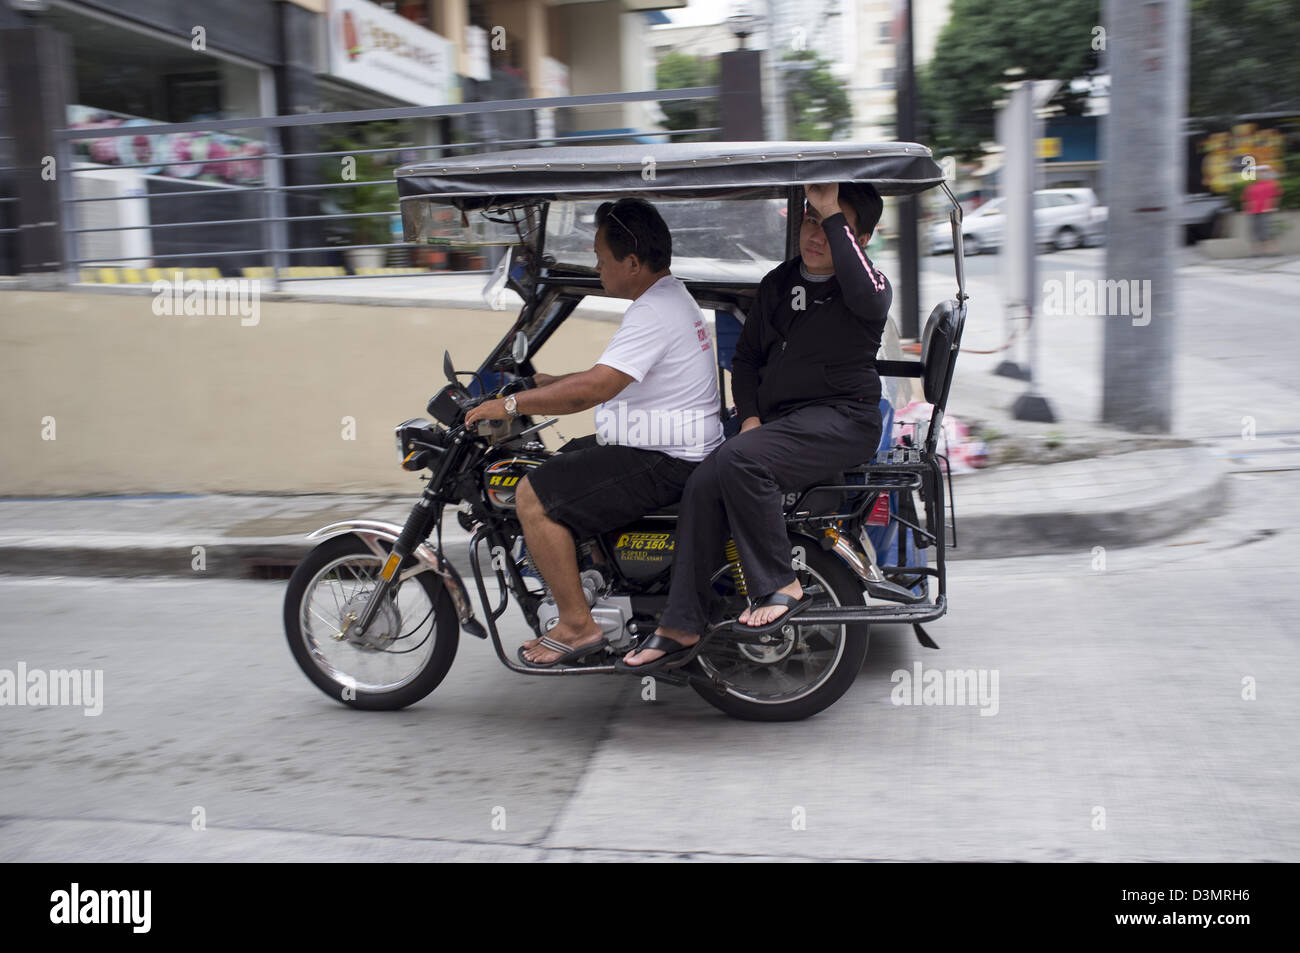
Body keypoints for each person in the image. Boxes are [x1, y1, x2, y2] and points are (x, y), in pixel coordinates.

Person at [618, 181, 890, 673]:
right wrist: (749, 417)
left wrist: (832, 213)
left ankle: (779, 583)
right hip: (780, 423)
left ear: (861, 239)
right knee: (704, 479)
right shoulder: (780, 283)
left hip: (844, 419)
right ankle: (681, 622)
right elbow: (745, 360)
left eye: (831, 225)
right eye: (810, 219)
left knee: (741, 460)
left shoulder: (869, 288)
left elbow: (869, 299)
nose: (815, 233)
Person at [466, 197, 724, 667]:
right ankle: (598, 581)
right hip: (665, 446)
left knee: (531, 495)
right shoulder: (667, 297)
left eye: (602, 258)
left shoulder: (652, 311)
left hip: (663, 458)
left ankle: (577, 625)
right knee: (555, 466)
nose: (597, 266)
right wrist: (551, 383)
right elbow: (615, 376)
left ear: (632, 261)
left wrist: (508, 403)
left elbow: (597, 389)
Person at [1243, 166, 1281, 256]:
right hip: (1253, 212)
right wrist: (1247, 210)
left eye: (1261, 172)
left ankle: (1272, 251)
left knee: (1267, 231)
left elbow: (1275, 196)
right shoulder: (1250, 187)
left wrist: (1272, 207)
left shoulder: (1271, 184)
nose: (1259, 174)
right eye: (1258, 173)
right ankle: (1255, 252)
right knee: (1254, 232)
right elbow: (1246, 200)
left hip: (1265, 211)